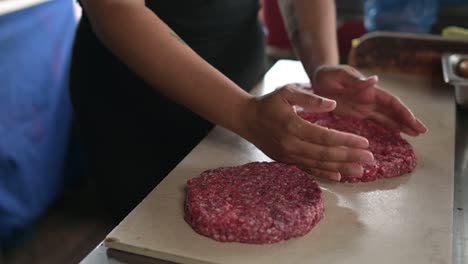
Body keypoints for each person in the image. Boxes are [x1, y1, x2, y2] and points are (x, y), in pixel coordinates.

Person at [70, 0, 427, 221]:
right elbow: (116, 7)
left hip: (243, 72)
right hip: (138, 98)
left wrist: (321, 66)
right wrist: (245, 114)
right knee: (150, 232)